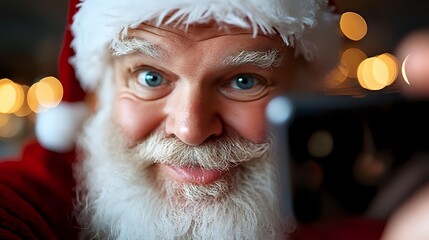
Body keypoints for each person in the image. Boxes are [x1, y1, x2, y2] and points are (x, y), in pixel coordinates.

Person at [0, 0, 385, 239]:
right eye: (150, 77)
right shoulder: (36, 197)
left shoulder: (360, 212)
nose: (191, 129)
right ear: (102, 91)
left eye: (243, 80)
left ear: (300, 92)